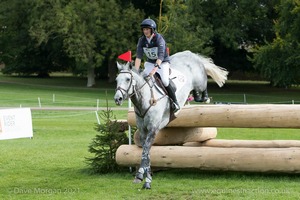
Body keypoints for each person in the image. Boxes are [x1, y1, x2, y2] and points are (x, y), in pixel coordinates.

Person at [134, 18, 180, 113]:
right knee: (143, 80)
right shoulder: (142, 40)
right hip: (150, 62)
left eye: (147, 29)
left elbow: (161, 56)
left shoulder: (159, 38)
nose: (145, 31)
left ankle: (175, 102)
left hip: (162, 62)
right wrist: (136, 71)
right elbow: (138, 57)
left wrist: (153, 71)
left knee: (165, 81)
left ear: (152, 29)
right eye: (144, 29)